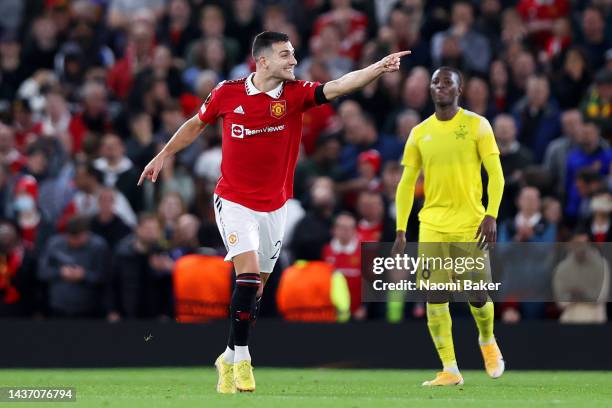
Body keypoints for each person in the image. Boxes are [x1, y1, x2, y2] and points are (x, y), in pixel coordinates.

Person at [138, 31, 410, 393]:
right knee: (247, 277)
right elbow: (195, 124)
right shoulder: (227, 92)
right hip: (233, 201)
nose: (293, 61)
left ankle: (227, 356)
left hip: (275, 207)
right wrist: (162, 156)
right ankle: (245, 358)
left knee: (256, 290)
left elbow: (340, 85)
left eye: (293, 54)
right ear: (263, 61)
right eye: (286, 55)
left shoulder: (296, 95)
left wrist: (375, 69)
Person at [392, 67, 505, 386]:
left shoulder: (476, 125)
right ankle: (449, 369)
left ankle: (487, 340)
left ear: (459, 89)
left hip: (470, 223)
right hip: (432, 224)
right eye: (435, 82)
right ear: (430, 89)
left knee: (476, 294)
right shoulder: (419, 132)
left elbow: (496, 175)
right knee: (435, 295)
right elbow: (406, 183)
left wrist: (491, 214)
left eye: (447, 82)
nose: (440, 86)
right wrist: (402, 229)